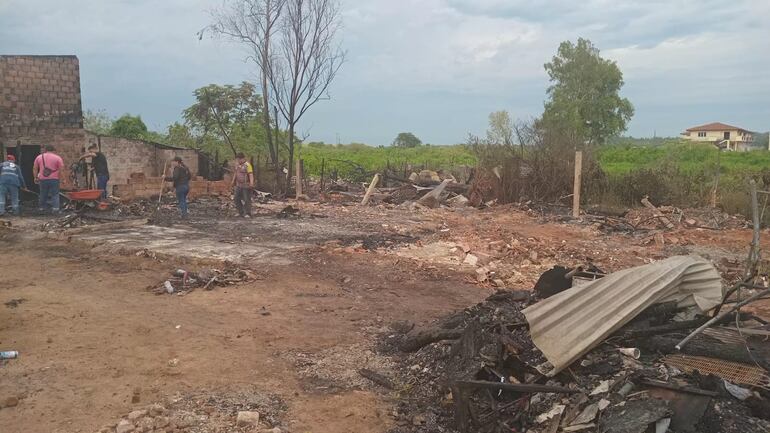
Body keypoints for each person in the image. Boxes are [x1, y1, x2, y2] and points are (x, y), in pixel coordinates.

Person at [33, 144, 64, 214]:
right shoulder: (58, 158)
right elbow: (61, 170)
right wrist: (63, 179)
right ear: (53, 150)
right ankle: (55, 209)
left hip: (43, 179)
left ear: (45, 150)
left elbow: (35, 168)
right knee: (55, 194)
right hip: (54, 179)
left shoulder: (39, 157)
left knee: (43, 194)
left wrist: (35, 177)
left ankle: (41, 208)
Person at [231, 152, 254, 218]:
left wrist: (251, 183)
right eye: (237, 159)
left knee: (246, 199)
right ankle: (241, 212)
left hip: (246, 185)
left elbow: (250, 174)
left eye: (239, 159)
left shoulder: (248, 165)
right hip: (238, 185)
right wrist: (233, 181)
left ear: (243, 159)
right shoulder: (237, 165)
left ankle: (247, 213)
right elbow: (235, 173)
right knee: (236, 198)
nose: (238, 161)